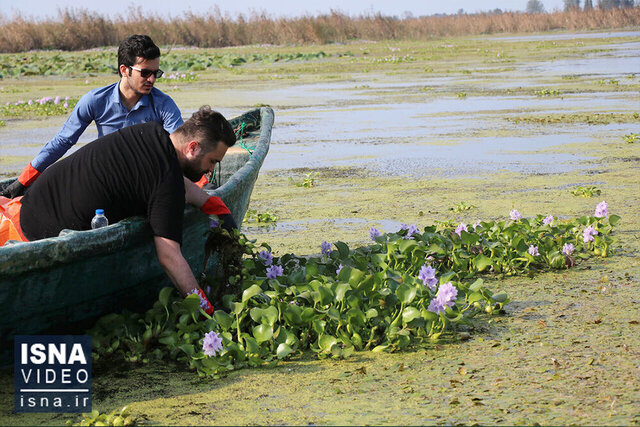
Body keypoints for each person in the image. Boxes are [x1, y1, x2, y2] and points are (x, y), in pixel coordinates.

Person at [7, 106, 235, 314]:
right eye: (212, 161)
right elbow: (169, 256)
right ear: (193, 148)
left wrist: (210, 203)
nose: (209, 171)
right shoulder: (167, 182)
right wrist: (205, 308)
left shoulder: (149, 132)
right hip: (30, 240)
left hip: (18, 209)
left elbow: (166, 180)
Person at [1, 34, 184, 199]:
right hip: (105, 178)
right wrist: (23, 180)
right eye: (145, 73)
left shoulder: (163, 104)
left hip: (146, 180)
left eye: (156, 73)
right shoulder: (95, 100)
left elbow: (180, 148)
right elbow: (63, 141)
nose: (151, 79)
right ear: (124, 70)